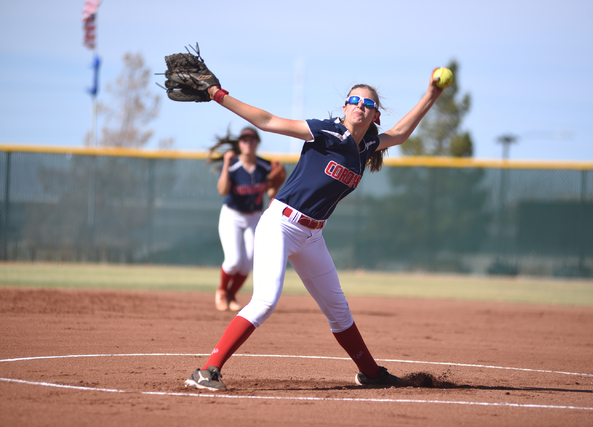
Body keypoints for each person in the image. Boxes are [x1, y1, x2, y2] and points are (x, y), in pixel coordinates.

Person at [185, 70, 444, 391]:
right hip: (280, 223)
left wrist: (432, 93)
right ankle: (207, 370)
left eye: (367, 103)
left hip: (312, 235)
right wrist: (217, 95)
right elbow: (267, 121)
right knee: (265, 301)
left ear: (375, 115)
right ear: (345, 107)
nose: (359, 106)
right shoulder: (327, 132)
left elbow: (401, 133)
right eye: (354, 100)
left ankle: (371, 373)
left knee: (339, 311)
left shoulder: (368, 147)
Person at [208, 126, 283, 312]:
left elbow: (271, 193)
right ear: (239, 144)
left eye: (252, 139)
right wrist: (225, 164)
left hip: (255, 217)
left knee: (248, 261)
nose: (248, 142)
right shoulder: (232, 165)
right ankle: (221, 292)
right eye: (244, 140)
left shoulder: (265, 166)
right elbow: (222, 190)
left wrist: (278, 180)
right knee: (234, 260)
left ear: (257, 143)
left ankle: (232, 294)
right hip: (232, 215)